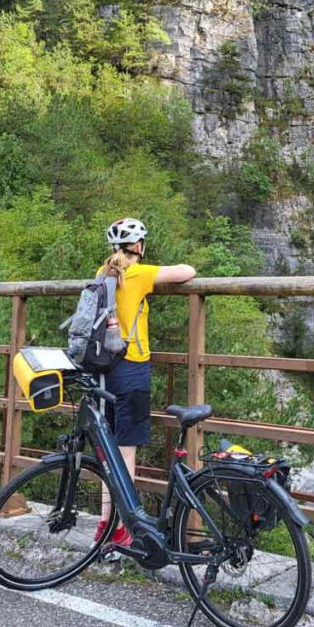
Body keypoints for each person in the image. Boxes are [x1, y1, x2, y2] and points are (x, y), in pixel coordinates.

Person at [94, 217, 196, 546]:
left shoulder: (102, 272)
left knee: (109, 450)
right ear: (138, 246)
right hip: (132, 368)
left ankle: (104, 526)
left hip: (105, 367)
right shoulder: (136, 273)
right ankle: (124, 530)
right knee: (126, 451)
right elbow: (186, 272)